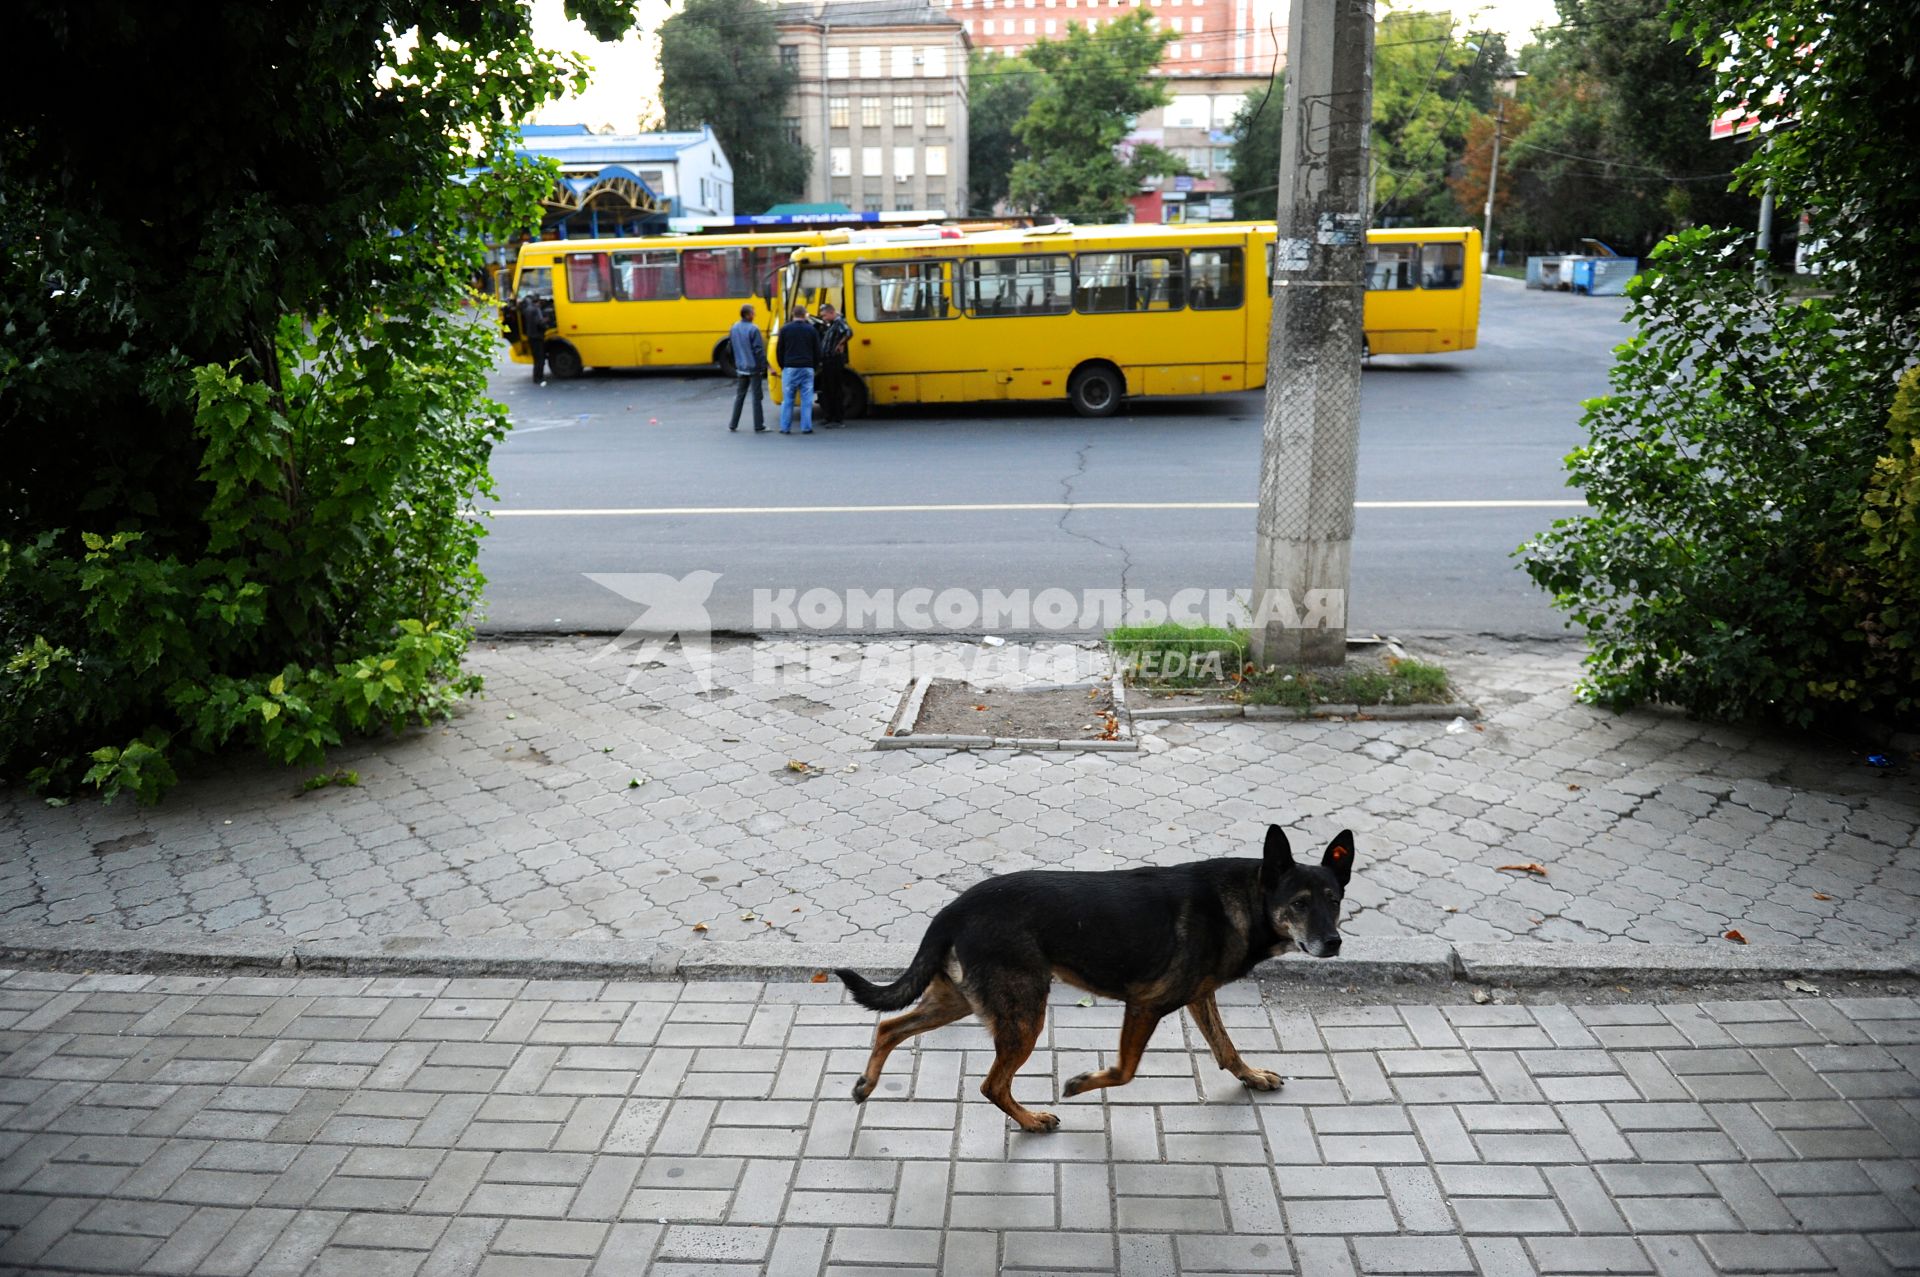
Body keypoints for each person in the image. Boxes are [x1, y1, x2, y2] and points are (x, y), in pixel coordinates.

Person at [774, 303, 820, 435]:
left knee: (788, 400)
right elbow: (817, 351)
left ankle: (785, 428)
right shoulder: (811, 329)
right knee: (806, 400)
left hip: (790, 368)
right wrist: (814, 366)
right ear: (804, 315)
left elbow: (779, 350)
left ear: (793, 315)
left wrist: (784, 365)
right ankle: (806, 427)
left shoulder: (785, 329)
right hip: (807, 367)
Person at [726, 303, 768, 433]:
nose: (754, 314)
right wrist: (764, 366)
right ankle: (758, 425)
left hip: (741, 366)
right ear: (748, 315)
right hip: (753, 367)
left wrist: (736, 363)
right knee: (757, 397)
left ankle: (733, 423)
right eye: (753, 312)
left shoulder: (734, 327)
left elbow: (731, 348)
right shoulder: (753, 329)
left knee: (740, 396)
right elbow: (758, 350)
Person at [814, 302, 853, 426]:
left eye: (825, 315)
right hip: (827, 360)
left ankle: (837, 419)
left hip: (834, 360)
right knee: (827, 389)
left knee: (835, 389)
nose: (823, 318)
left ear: (832, 313)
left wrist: (841, 344)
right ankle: (829, 417)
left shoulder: (839, 322)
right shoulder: (831, 324)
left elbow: (848, 332)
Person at [516, 289, 552, 385]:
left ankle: (536, 377)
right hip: (537, 337)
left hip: (531, 336)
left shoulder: (527, 309)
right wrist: (547, 321)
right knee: (540, 359)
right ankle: (538, 378)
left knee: (536, 359)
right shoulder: (536, 310)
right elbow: (539, 323)